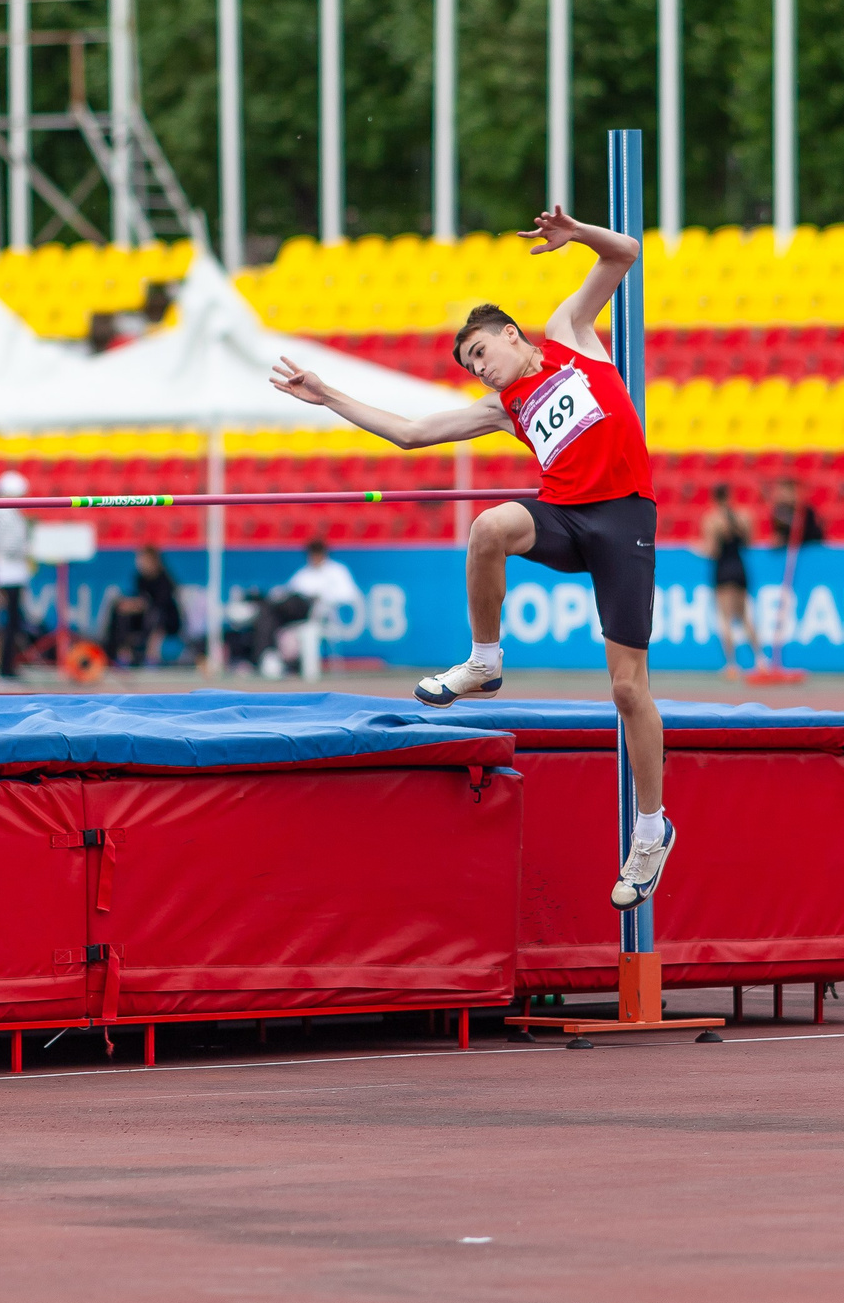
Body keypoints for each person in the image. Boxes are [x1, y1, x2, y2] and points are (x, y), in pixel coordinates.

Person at [270, 202, 676, 912]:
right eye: (468, 365)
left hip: (621, 518)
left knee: (626, 691)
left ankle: (651, 828)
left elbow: (628, 254)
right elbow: (408, 431)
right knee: (489, 526)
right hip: (562, 514)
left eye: (481, 353)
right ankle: (485, 660)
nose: (479, 370)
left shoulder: (570, 334)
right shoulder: (504, 408)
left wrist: (579, 235)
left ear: (513, 335)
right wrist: (327, 394)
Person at [245, 538, 364, 675]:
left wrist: (322, 597)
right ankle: (265, 657)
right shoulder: (304, 573)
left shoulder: (337, 571)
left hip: (314, 611)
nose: (314, 557)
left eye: (317, 554)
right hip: (293, 611)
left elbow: (348, 594)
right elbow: (290, 590)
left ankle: (262, 606)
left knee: (274, 607)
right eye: (312, 554)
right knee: (268, 613)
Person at [697, 483, 762, 681]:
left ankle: (732, 664)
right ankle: (760, 660)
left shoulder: (712, 520)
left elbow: (712, 551)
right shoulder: (743, 517)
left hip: (723, 570)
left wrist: (696, 549)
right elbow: (750, 542)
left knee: (725, 618)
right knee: (744, 617)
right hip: (740, 568)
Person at [0, 471, 36, 682]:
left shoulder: (4, 513)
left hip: (10, 571)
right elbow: (9, 545)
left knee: (12, 623)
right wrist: (27, 547)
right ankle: (5, 666)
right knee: (10, 622)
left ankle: (8, 664)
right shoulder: (5, 514)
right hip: (8, 573)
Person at [105, 544, 184, 668]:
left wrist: (138, 605)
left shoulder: (164, 580)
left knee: (156, 615)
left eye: (142, 559)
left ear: (152, 561)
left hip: (167, 621)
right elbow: (140, 599)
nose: (139, 563)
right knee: (120, 611)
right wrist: (131, 605)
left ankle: (152, 655)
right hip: (144, 618)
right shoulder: (140, 578)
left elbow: (158, 604)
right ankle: (122, 653)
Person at [766, 478, 824, 550]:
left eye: (785, 492)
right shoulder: (778, 511)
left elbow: (808, 532)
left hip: (809, 548)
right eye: (780, 492)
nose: (782, 495)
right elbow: (778, 533)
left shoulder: (805, 510)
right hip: (787, 550)